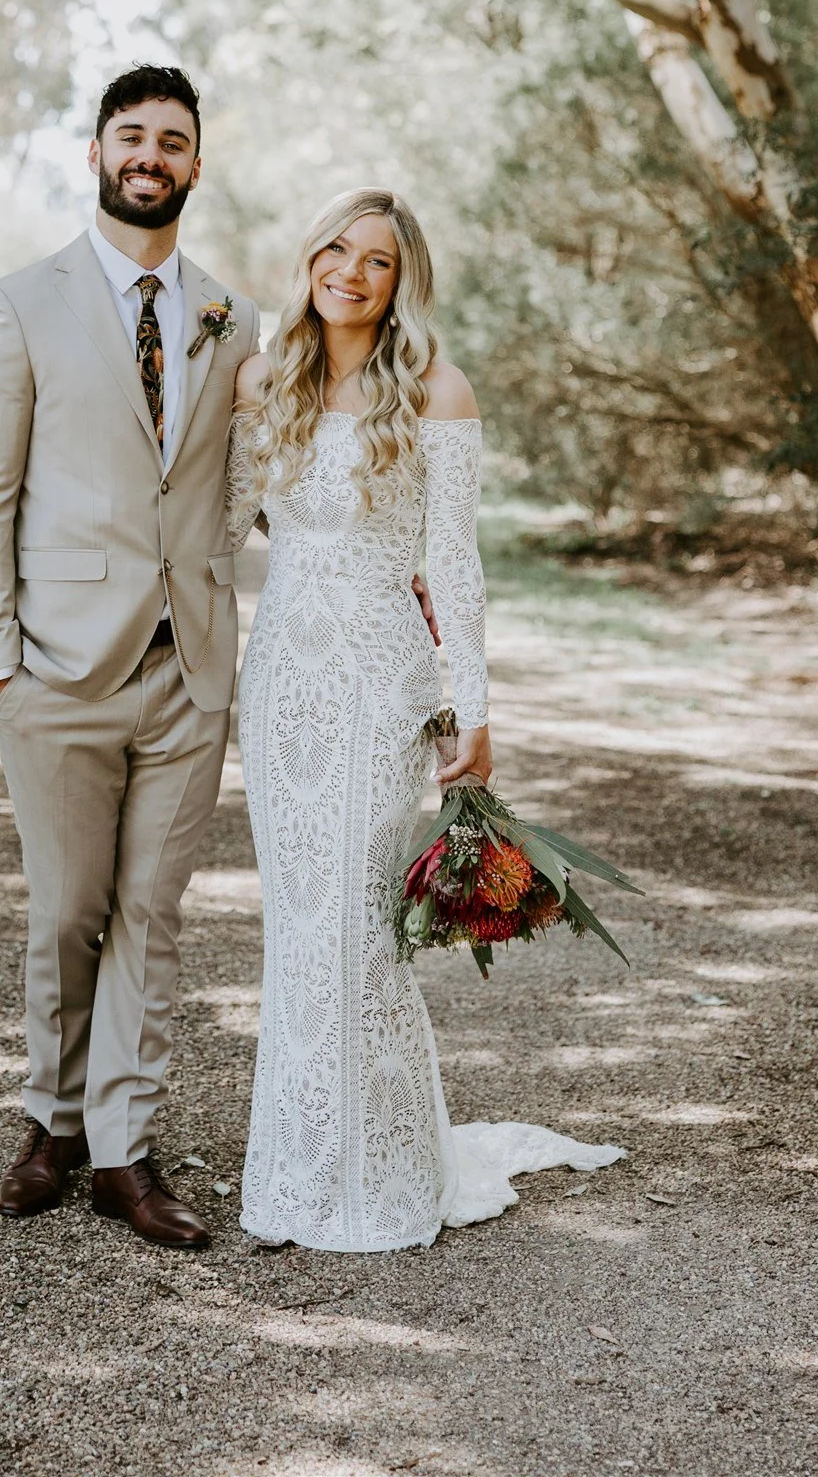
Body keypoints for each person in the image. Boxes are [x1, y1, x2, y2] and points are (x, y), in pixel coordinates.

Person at [227, 189, 624, 1251]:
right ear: (309, 255)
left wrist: (475, 710)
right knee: (295, 930)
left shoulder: (437, 391)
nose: (353, 272)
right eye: (338, 249)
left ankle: (384, 1173)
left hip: (378, 684)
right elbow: (221, 523)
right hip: (279, 686)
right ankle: (300, 1171)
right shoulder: (265, 378)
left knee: (359, 930)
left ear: (403, 283)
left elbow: (455, 565)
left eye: (380, 262)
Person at [0, 65, 261, 1249]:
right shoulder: (18, 304)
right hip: (55, 670)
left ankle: (124, 1151)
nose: (151, 155)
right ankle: (51, 1118)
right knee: (66, 909)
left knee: (150, 912)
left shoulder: (232, 317)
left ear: (194, 163)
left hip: (190, 674)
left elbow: (239, 500)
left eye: (173, 140)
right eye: (131, 135)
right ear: (95, 153)